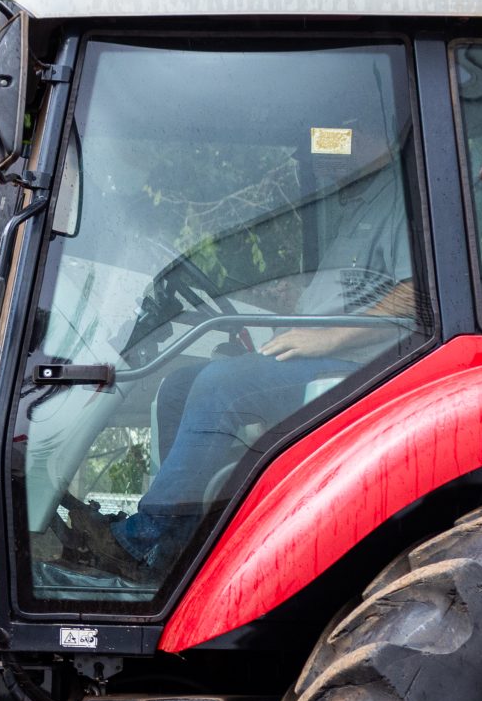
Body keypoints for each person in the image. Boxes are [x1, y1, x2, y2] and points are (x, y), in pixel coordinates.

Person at [112, 123, 417, 570]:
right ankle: (185, 540)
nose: (318, 158)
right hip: (318, 352)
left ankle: (148, 537)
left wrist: (327, 336)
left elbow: (414, 293)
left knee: (219, 387)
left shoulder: (399, 198)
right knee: (180, 384)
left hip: (361, 365)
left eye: (333, 142)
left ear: (369, 133)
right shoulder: (355, 202)